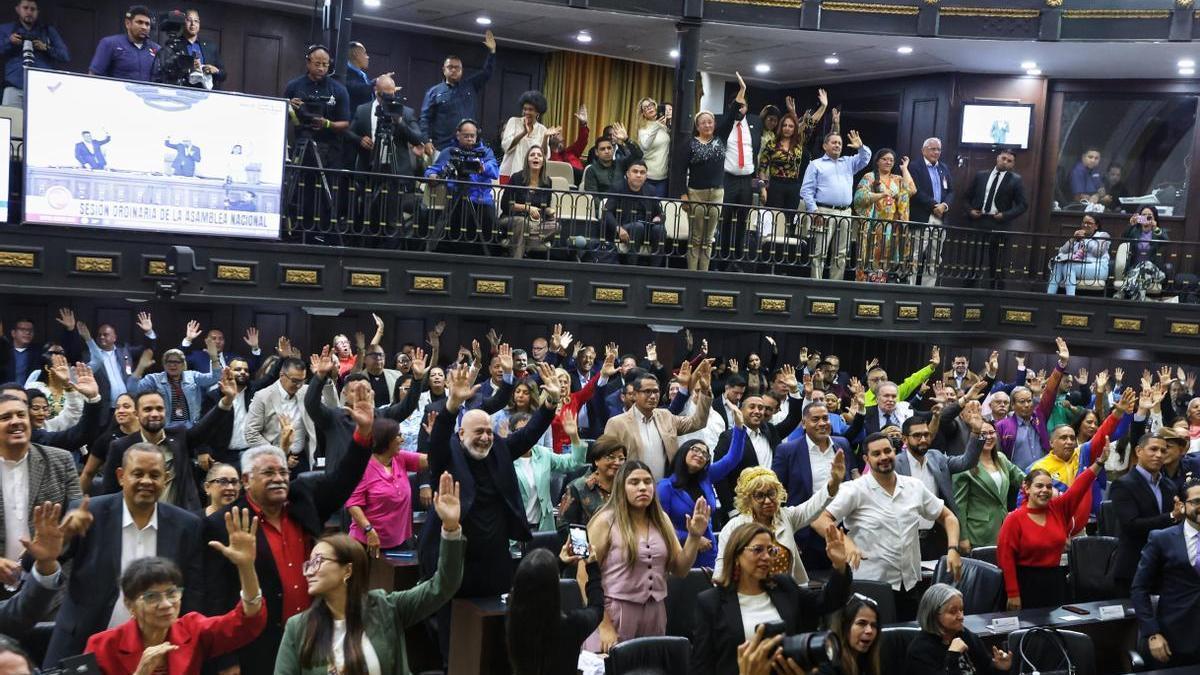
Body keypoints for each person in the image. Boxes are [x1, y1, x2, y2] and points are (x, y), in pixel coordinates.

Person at [203, 381, 376, 675]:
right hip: (256, 646)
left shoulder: (303, 499)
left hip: (312, 635)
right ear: (246, 481)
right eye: (268, 472)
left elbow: (343, 480)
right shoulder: (223, 524)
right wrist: (225, 660)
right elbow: (212, 596)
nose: (279, 478)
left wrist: (363, 434)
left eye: (283, 471)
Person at [419, 361, 563, 658]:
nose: (485, 437)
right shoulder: (447, 455)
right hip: (454, 561)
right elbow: (437, 442)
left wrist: (550, 403)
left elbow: (528, 435)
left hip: (495, 559)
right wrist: (451, 405)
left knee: (494, 635)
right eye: (478, 432)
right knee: (455, 636)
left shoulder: (498, 449)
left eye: (488, 431)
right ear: (461, 434)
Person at [276, 471, 464, 675]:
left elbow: (444, 586)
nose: (309, 571)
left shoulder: (386, 608)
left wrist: (450, 528)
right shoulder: (298, 628)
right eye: (308, 564)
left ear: (347, 570)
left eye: (318, 561)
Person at [44, 442, 207, 666]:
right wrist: (61, 539)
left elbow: (194, 593)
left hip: (155, 648)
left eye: (155, 475)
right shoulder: (88, 513)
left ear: (166, 478)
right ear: (121, 476)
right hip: (82, 643)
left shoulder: (187, 526)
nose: (146, 481)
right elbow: (38, 564)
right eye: (138, 473)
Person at [84, 508, 266, 675]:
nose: (166, 604)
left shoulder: (192, 630)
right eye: (152, 596)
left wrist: (246, 566)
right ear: (129, 604)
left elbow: (246, 622)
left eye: (172, 593)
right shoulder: (102, 646)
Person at [811, 432, 964, 620]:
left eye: (887, 451)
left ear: (895, 452)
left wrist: (953, 549)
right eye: (876, 454)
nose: (883, 457)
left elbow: (948, 517)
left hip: (909, 584)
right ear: (866, 459)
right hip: (870, 587)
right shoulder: (855, 489)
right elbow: (819, 520)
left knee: (907, 640)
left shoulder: (913, 486)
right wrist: (846, 543)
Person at [691, 521, 852, 675]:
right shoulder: (711, 602)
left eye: (771, 550)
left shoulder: (784, 586)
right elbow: (702, 667)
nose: (766, 557)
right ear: (736, 554)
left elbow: (827, 601)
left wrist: (840, 565)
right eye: (757, 549)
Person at [584, 460, 710, 652]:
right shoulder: (604, 521)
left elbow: (681, 569)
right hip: (614, 612)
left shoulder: (662, 519)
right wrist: (603, 624)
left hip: (655, 613)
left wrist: (694, 537)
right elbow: (583, 574)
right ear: (621, 487)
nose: (642, 487)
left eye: (648, 482)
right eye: (634, 482)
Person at [996, 439, 1108, 610]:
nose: (1044, 491)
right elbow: (1006, 559)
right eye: (1039, 486)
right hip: (1024, 584)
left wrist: (1099, 463)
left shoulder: (1058, 508)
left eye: (1049, 487)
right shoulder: (1014, 518)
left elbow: (1079, 487)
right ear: (1026, 488)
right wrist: (1013, 593)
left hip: (1054, 581)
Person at [102, 371, 236, 512]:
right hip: (138, 522)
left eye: (159, 409)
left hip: (180, 521)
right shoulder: (120, 447)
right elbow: (110, 493)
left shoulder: (179, 437)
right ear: (136, 414)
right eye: (147, 409)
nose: (154, 414)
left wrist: (227, 400)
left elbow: (205, 428)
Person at [715, 459, 844, 586]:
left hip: (786, 595)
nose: (767, 501)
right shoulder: (734, 527)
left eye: (771, 493)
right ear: (748, 500)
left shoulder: (786, 517)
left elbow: (814, 505)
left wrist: (834, 482)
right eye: (759, 496)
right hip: (749, 595)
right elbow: (722, 566)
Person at [658, 410, 745, 567]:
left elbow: (732, 459)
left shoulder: (707, 477)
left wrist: (739, 427)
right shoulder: (665, 487)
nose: (700, 454)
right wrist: (691, 537)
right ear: (683, 451)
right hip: (679, 552)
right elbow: (659, 526)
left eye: (705, 454)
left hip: (708, 552)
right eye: (695, 449)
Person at [895, 408, 983, 560]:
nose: (923, 439)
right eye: (917, 435)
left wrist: (975, 432)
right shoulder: (895, 464)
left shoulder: (937, 457)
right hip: (906, 537)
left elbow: (967, 462)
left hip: (937, 535)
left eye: (926, 434)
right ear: (904, 439)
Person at [1131, 476, 1200, 668]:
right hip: (1175, 636)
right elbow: (1139, 588)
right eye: (1196, 502)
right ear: (1182, 505)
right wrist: (1152, 633)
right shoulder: (1162, 539)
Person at [602, 360, 712, 479]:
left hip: (664, 490)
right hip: (631, 490)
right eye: (647, 392)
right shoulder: (617, 423)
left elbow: (698, 422)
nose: (653, 396)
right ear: (634, 395)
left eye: (655, 391)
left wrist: (704, 391)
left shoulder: (666, 416)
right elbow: (606, 460)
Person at [506, 543, 604, 675]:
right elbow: (597, 608)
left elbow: (535, 583)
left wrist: (560, 563)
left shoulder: (513, 620)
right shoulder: (571, 626)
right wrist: (592, 567)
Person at [345, 417, 427, 556]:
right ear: (386, 440)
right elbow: (353, 504)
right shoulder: (362, 466)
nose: (402, 440)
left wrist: (434, 437)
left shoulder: (399, 458)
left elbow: (432, 460)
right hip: (368, 543)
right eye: (398, 436)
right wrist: (369, 530)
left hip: (399, 542)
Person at [1110, 431, 1181, 589]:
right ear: (1138, 451)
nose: (1159, 454)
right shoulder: (1123, 484)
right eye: (1153, 449)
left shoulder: (1169, 486)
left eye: (1163, 450)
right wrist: (1171, 516)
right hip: (1133, 567)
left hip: (1164, 568)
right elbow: (1131, 526)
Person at [800, 129, 872, 281]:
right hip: (823, 211)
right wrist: (814, 211)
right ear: (825, 146)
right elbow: (806, 191)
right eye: (834, 142)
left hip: (845, 212)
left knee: (842, 252)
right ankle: (816, 285)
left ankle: (835, 286)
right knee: (820, 251)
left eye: (839, 143)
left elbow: (866, 158)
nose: (837, 145)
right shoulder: (815, 164)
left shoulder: (848, 162)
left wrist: (860, 147)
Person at [682, 89, 741, 271]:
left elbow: (732, 114)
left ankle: (704, 273)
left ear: (714, 124)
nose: (707, 125)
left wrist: (742, 92)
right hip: (696, 193)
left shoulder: (721, 138)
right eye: (703, 123)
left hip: (717, 192)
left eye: (710, 122)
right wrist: (683, 194)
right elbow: (680, 170)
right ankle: (692, 273)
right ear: (697, 126)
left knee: (709, 237)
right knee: (696, 237)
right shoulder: (690, 143)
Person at [425, 119, 501, 250]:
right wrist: (431, 176)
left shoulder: (485, 152)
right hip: (456, 198)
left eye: (472, 136)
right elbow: (432, 170)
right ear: (458, 135)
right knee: (444, 228)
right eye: (466, 136)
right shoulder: (449, 152)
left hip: (481, 200)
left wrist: (482, 167)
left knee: (489, 228)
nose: (470, 139)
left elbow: (494, 172)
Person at [906, 583, 1012, 675]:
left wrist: (999, 669)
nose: (961, 616)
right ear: (933, 614)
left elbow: (986, 669)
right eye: (953, 611)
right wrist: (953, 656)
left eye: (961, 610)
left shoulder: (965, 635)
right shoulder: (919, 651)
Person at [995, 337, 1069, 470]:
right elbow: (998, 458)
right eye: (1022, 402)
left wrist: (1061, 365)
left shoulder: (1038, 416)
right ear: (1012, 405)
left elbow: (1050, 392)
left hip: (1042, 476)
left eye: (1029, 401)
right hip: (1016, 481)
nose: (1027, 405)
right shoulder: (1002, 426)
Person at [952, 419, 1024, 550]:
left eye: (992, 432)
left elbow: (1022, 478)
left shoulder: (1001, 458)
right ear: (973, 437)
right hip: (978, 533)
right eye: (983, 433)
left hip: (1005, 528)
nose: (989, 437)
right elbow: (960, 506)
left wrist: (1046, 486)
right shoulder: (962, 465)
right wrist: (962, 538)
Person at [420, 31, 497, 150]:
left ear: (462, 70)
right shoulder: (433, 92)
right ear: (444, 69)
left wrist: (492, 52)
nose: (454, 70)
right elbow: (425, 118)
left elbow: (486, 73)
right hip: (442, 146)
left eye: (457, 68)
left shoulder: (470, 85)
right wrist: (425, 141)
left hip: (468, 146)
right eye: (450, 67)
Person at [963, 149, 1028, 289]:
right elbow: (966, 198)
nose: (1005, 162)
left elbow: (1023, 205)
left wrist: (1005, 215)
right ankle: (968, 293)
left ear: (1013, 164)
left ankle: (995, 295)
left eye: (1009, 161)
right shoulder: (981, 175)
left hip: (1000, 225)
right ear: (997, 158)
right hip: (979, 222)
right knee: (974, 262)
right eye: (1003, 158)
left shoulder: (1016, 180)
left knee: (998, 265)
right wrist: (970, 211)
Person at [283, 45, 351, 170]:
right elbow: (281, 120)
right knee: (300, 186)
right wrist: (289, 107)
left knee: (326, 186)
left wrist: (327, 124)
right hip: (301, 145)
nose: (321, 68)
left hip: (330, 149)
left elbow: (345, 123)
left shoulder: (339, 90)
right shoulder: (294, 86)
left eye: (325, 65)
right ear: (308, 63)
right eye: (317, 64)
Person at [344, 74, 426, 178]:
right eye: (383, 95)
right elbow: (348, 134)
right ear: (375, 90)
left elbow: (418, 138)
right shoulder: (362, 110)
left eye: (390, 95)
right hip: (368, 170)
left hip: (398, 172)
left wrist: (400, 122)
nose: (386, 100)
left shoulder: (406, 112)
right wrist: (360, 139)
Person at [758, 92, 829, 211]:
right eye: (785, 125)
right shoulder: (772, 144)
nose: (787, 128)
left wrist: (823, 106)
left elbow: (811, 122)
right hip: (775, 185)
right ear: (781, 127)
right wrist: (762, 189)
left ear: (794, 129)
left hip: (793, 186)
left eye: (791, 126)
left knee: (789, 222)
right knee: (774, 221)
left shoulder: (798, 143)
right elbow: (762, 170)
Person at [852, 149, 915, 283]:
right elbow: (859, 197)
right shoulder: (870, 177)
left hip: (893, 228)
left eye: (891, 160)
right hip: (874, 226)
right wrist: (880, 195)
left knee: (889, 259)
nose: (888, 162)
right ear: (877, 161)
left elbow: (911, 189)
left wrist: (904, 169)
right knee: (871, 259)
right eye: (885, 159)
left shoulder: (897, 179)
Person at [601, 160, 668, 267]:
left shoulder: (650, 190)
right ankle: (631, 267)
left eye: (642, 172)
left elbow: (662, 214)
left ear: (646, 176)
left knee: (659, 229)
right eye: (635, 171)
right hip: (624, 229)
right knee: (638, 227)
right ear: (628, 174)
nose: (638, 175)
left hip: (646, 228)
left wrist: (658, 218)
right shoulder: (618, 188)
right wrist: (618, 228)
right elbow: (606, 212)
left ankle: (655, 270)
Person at [0, 0, 68, 106]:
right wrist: (10, 41)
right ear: (18, 9)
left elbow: (65, 56)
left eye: (32, 9)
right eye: (25, 8)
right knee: (12, 120)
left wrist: (46, 47)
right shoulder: (5, 29)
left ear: (37, 12)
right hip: (14, 87)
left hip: (42, 89)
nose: (29, 12)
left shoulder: (48, 31)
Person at [79, 314, 157, 406]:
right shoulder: (89, 356)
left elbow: (147, 350)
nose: (102, 337)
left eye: (105, 334)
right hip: (103, 408)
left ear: (114, 337)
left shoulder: (125, 351)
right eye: (99, 335)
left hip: (126, 405)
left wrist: (149, 332)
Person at [908, 137, 954, 287]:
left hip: (940, 218)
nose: (936, 152)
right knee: (915, 254)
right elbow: (915, 191)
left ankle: (928, 290)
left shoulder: (944, 168)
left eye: (938, 149)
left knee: (934, 257)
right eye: (932, 149)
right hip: (922, 216)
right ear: (923, 150)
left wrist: (944, 206)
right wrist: (935, 205)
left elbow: (951, 191)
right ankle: (908, 287)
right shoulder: (914, 167)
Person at [500, 145, 559, 259]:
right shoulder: (516, 178)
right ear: (527, 160)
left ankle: (525, 244)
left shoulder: (547, 182)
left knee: (556, 226)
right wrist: (527, 208)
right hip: (512, 219)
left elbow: (544, 207)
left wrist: (549, 210)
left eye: (539, 155)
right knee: (523, 223)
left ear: (543, 161)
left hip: (534, 224)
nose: (536, 157)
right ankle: (517, 261)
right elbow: (505, 205)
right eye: (532, 155)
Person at [559, 435, 626, 527]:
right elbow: (564, 526)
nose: (617, 462)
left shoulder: (627, 486)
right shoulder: (577, 488)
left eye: (621, 459)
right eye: (610, 457)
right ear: (596, 461)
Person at [88, 4, 159, 82]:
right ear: (128, 23)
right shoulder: (110, 43)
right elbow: (94, 76)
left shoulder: (156, 49)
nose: (144, 27)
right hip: (117, 93)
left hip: (149, 93)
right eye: (139, 22)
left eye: (147, 24)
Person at [499, 90, 556, 183]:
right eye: (525, 109)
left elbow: (544, 156)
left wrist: (545, 138)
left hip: (531, 176)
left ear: (538, 112)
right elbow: (506, 146)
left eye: (530, 109)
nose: (526, 112)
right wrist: (523, 133)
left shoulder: (542, 129)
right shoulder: (513, 122)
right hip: (508, 173)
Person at [1047, 214, 1111, 295]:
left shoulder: (1103, 235)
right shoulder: (1078, 237)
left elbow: (1097, 253)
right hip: (1080, 267)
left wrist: (1086, 240)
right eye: (1084, 222)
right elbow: (1062, 251)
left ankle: (1070, 300)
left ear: (1096, 226)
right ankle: (1049, 296)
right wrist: (1073, 239)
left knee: (1068, 267)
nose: (1085, 225)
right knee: (1058, 265)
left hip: (1098, 269)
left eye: (1089, 223)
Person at [818, 595, 882, 675]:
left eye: (873, 625)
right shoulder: (827, 666)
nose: (869, 631)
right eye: (861, 623)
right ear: (844, 626)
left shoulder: (870, 661)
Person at [1118, 205, 1169, 301]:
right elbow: (1123, 239)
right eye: (1143, 215)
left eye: (1149, 216)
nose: (1146, 217)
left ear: (1154, 218)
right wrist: (1131, 225)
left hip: (1154, 271)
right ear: (1139, 217)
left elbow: (1166, 242)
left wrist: (1155, 228)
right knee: (1141, 276)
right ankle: (1142, 301)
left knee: (1147, 264)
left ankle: (1122, 292)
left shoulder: (1158, 231)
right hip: (1135, 271)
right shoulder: (1134, 231)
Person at [583, 124, 642, 195]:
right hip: (602, 204)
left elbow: (638, 155)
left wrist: (627, 140)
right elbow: (592, 197)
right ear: (596, 152)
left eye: (609, 148)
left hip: (621, 203)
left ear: (613, 150)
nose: (607, 151)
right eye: (602, 149)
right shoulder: (591, 170)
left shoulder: (620, 164)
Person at [636, 96, 671, 197]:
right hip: (648, 176)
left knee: (659, 210)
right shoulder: (643, 129)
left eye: (651, 105)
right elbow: (645, 146)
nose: (649, 108)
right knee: (646, 208)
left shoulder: (664, 126)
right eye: (646, 107)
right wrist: (656, 126)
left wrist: (668, 123)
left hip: (663, 177)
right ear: (643, 113)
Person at [547, 105, 589, 184]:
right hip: (559, 185)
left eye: (559, 133)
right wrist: (554, 148)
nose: (559, 134)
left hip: (579, 184)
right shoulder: (547, 156)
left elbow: (582, 140)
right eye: (556, 133)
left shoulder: (571, 151)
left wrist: (583, 124)